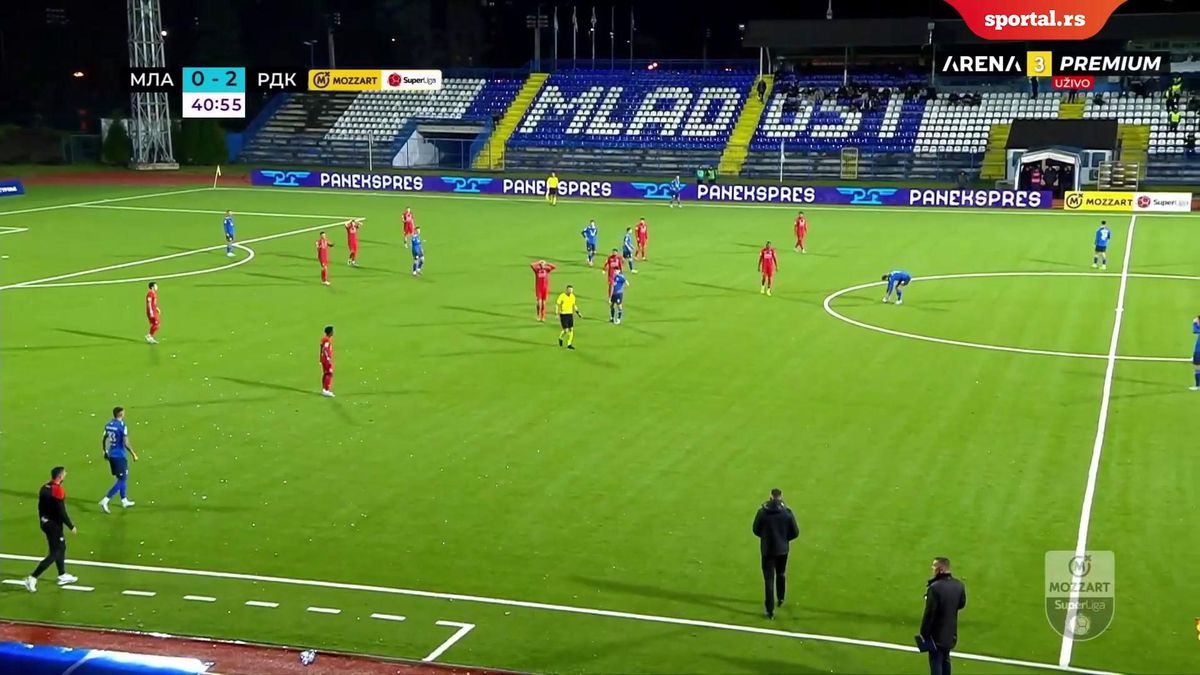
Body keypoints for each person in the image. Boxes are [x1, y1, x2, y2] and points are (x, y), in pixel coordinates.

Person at [22, 466, 78, 592]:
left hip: (45, 522)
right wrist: (71, 526)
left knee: (61, 547)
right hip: (54, 525)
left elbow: (40, 507)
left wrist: (43, 519)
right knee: (55, 553)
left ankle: (62, 574)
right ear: (59, 477)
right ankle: (32, 578)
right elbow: (61, 511)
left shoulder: (44, 488)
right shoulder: (58, 491)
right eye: (64, 474)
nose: (65, 475)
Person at [752, 488, 799, 619]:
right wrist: (784, 539)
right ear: (781, 497)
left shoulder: (762, 513)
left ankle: (770, 610)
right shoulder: (787, 513)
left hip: (767, 550)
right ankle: (781, 598)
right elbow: (795, 532)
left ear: (771, 497)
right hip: (782, 550)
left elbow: (755, 529)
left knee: (768, 580)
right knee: (781, 573)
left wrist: (765, 537)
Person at [919, 557, 967, 675]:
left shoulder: (935, 588)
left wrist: (924, 633)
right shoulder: (959, 585)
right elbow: (961, 604)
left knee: (936, 661)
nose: (932, 569)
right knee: (946, 659)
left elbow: (930, 613)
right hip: (951, 633)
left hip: (936, 634)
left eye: (934, 567)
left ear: (940, 569)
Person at [99, 406, 139, 513]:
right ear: (121, 414)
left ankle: (124, 500)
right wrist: (133, 453)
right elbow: (125, 442)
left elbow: (104, 439)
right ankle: (106, 500)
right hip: (119, 456)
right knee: (122, 479)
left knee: (123, 477)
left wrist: (105, 451)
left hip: (111, 454)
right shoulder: (122, 426)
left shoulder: (108, 425)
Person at [555, 285, 581, 350]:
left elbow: (574, 305)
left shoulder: (573, 297)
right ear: (566, 290)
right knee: (566, 330)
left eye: (571, 290)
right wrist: (557, 314)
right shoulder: (562, 296)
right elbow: (558, 305)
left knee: (571, 329)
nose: (570, 291)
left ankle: (569, 344)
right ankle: (560, 338)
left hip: (570, 314)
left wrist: (578, 312)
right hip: (563, 314)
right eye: (569, 290)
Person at [320, 325, 335, 397]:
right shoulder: (327, 340)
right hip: (326, 359)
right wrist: (328, 359)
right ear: (330, 332)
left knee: (326, 373)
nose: (333, 332)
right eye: (332, 331)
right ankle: (326, 390)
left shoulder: (324, 339)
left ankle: (324, 389)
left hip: (324, 359)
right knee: (329, 373)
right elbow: (325, 349)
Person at [1191, 316, 1200, 391]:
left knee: (1197, 368)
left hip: (1198, 352)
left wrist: (1194, 323)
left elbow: (1195, 330)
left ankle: (1197, 386)